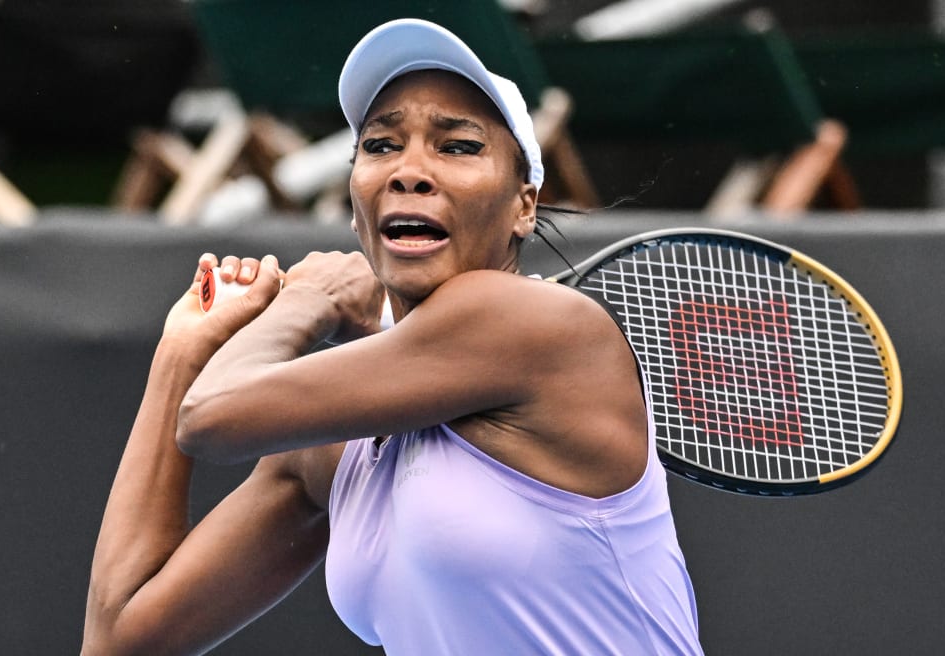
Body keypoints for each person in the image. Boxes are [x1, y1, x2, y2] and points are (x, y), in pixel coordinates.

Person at [82, 18, 703, 656]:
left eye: (457, 146)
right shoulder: (336, 443)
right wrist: (182, 350)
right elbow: (124, 639)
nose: (409, 171)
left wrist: (304, 301)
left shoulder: (537, 322)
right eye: (380, 145)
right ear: (355, 206)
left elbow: (211, 417)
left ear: (524, 205)